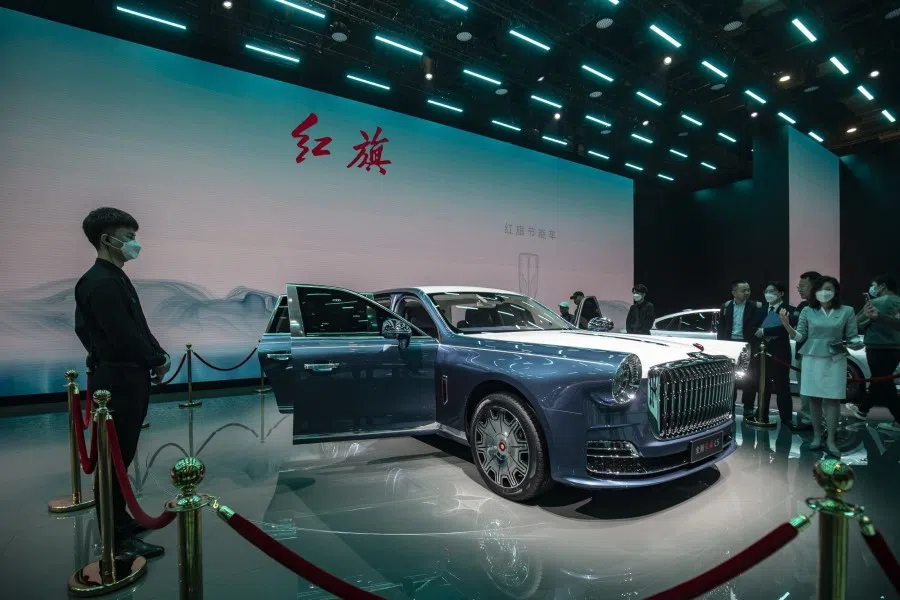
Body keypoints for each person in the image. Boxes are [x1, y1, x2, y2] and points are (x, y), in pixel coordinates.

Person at [74, 208, 169, 559]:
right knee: (114, 458)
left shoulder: (113, 278)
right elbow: (122, 335)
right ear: (107, 239)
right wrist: (153, 359)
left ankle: (120, 522)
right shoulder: (100, 282)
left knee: (121, 457)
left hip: (126, 374)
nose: (134, 244)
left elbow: (134, 328)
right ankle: (116, 540)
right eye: (128, 237)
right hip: (119, 379)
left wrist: (155, 355)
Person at [779, 276, 859, 457]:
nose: (825, 292)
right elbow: (800, 337)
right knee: (813, 399)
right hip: (811, 358)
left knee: (833, 399)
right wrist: (787, 326)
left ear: (836, 291)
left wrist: (856, 344)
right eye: (821, 289)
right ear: (815, 292)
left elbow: (853, 336)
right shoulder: (808, 311)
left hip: (835, 359)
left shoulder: (847, 311)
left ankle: (831, 438)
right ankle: (816, 436)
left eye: (829, 288)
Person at [847, 274, 900, 433]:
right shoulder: (898, 301)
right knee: (880, 380)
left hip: (877, 347)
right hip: (896, 348)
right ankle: (863, 410)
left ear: (882, 286)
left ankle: (898, 418)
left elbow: (857, 321)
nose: (872, 288)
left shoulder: (875, 303)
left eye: (874, 285)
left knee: (883, 382)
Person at [755, 282, 798, 429]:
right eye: (766, 291)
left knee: (782, 387)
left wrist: (765, 332)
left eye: (772, 291)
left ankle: (786, 418)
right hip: (762, 353)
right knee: (763, 385)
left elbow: (785, 328)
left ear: (781, 294)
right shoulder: (760, 310)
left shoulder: (789, 309)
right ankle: (762, 413)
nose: (768, 294)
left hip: (780, 353)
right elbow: (754, 327)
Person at [717, 280, 761, 418]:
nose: (747, 293)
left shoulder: (755, 306)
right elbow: (721, 327)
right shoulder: (726, 306)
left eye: (748, 290)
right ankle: (729, 405)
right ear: (734, 292)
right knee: (730, 377)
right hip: (730, 344)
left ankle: (748, 406)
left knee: (750, 378)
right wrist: (721, 345)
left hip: (747, 344)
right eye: (743, 290)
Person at [792, 271, 822, 430]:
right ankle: (807, 419)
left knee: (820, 391)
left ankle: (820, 420)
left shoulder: (827, 308)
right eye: (799, 286)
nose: (799, 289)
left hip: (820, 355)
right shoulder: (803, 306)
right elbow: (799, 332)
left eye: (803, 286)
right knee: (804, 389)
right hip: (802, 354)